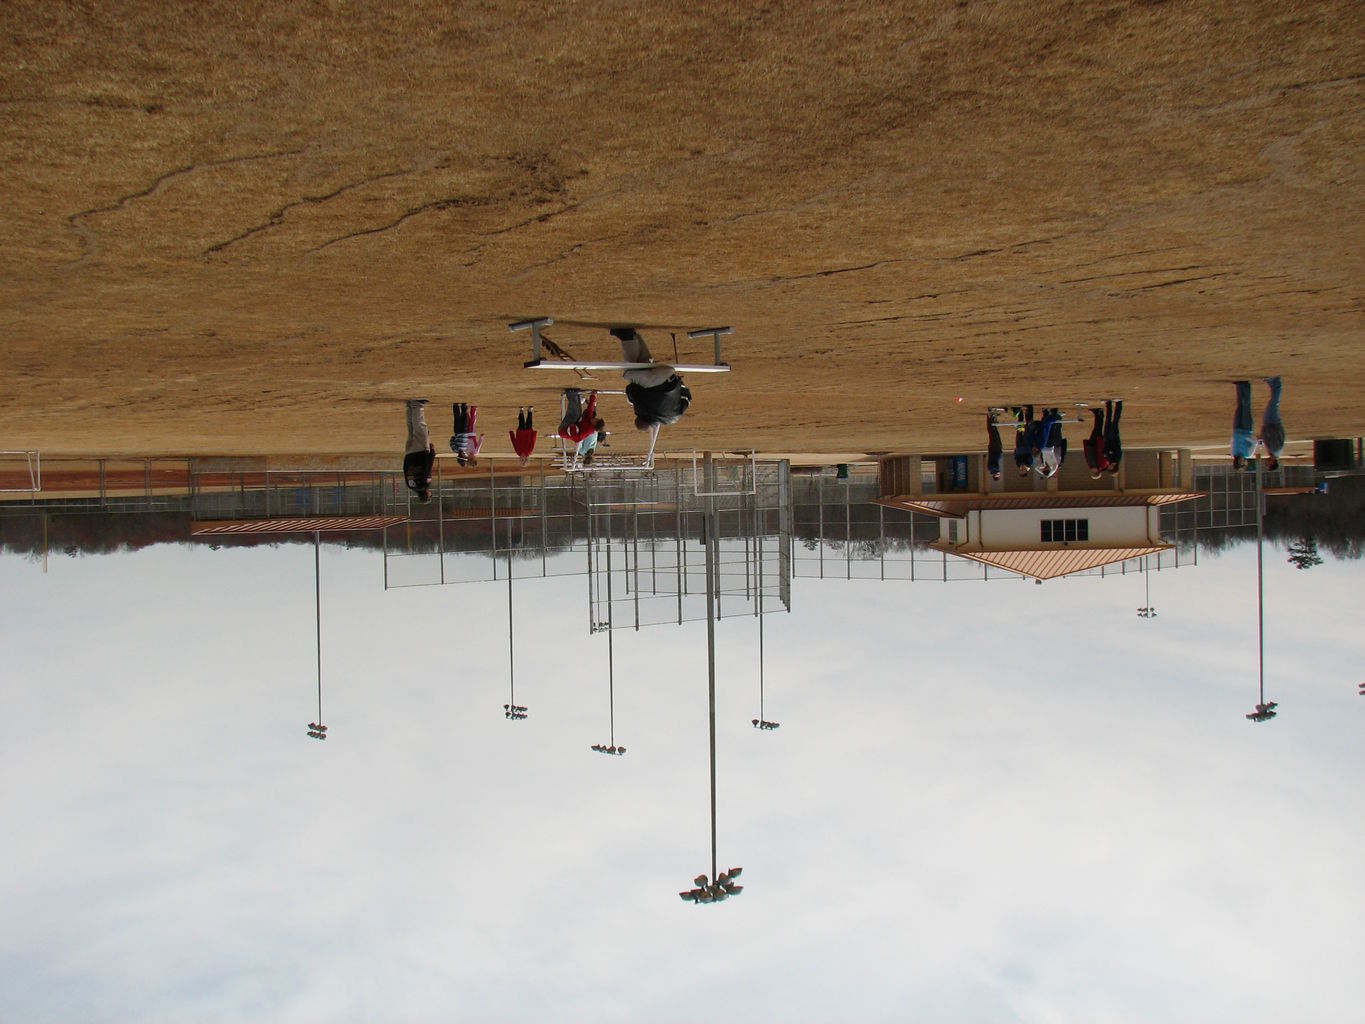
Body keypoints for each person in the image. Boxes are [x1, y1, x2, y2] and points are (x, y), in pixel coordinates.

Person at [611, 327, 691, 428]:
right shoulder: (642, 411)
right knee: (628, 373)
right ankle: (627, 337)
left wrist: (679, 383)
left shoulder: (673, 418)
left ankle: (634, 336)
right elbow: (631, 389)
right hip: (655, 380)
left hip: (670, 374)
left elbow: (687, 398)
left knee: (642, 366)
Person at [403, 399, 435, 502]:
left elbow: (427, 468)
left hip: (420, 452)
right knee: (411, 428)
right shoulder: (411, 486)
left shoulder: (425, 484)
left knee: (420, 427)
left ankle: (417, 405)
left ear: (426, 495)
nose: (430, 493)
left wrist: (432, 453)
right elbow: (405, 469)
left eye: (430, 495)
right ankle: (409, 407)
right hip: (409, 453)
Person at [1258, 376, 1284, 470]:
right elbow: (1273, 434)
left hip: (1272, 423)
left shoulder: (1274, 452)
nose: (1266, 463)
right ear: (1273, 462)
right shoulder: (1274, 450)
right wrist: (1265, 429)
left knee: (1273, 403)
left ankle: (1273, 384)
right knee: (1273, 403)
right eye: (1268, 464)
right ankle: (1276, 384)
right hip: (1272, 423)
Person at [1231, 381, 1257, 469]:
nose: (1242, 461)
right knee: (1246, 407)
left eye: (1240, 463)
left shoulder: (1234, 453)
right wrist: (1245, 437)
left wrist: (1233, 437)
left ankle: (1239, 387)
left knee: (1239, 407)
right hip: (1246, 429)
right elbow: (1255, 442)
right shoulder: (1248, 454)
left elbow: (1232, 443)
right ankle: (1246, 387)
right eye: (1242, 463)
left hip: (1236, 429)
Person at [1034, 408, 1067, 478]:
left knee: (1043, 429)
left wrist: (1043, 473)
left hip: (1043, 446)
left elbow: (1036, 468)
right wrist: (1048, 475)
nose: (1044, 468)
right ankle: (1054, 414)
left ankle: (1045, 413)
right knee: (1051, 430)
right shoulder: (1053, 465)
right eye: (1045, 469)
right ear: (1049, 470)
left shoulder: (1043, 464)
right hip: (1050, 445)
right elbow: (1053, 470)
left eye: (1043, 469)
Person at [1082, 407, 1110, 478]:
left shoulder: (1091, 465)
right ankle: (1099, 413)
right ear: (1098, 471)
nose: (1092, 471)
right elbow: (1103, 454)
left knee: (1096, 428)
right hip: (1098, 443)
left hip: (1092, 445)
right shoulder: (1102, 465)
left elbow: (1087, 456)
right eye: (1094, 472)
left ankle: (1098, 414)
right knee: (1098, 428)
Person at [1011, 405, 1035, 475]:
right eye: (1022, 472)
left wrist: (1016, 450)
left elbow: (1015, 456)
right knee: (1028, 428)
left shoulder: (1018, 464)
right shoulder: (1029, 463)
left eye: (1020, 471)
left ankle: (1020, 413)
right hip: (1026, 445)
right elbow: (1031, 455)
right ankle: (1029, 411)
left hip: (1019, 445)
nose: (1021, 470)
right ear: (1026, 471)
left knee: (1019, 429)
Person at [1102, 399, 1123, 474]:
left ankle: (1108, 405)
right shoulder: (1117, 458)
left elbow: (1104, 452)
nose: (1109, 467)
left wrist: (1107, 451)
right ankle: (1119, 404)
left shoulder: (1109, 459)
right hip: (1113, 439)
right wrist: (1109, 451)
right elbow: (1116, 449)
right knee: (1114, 422)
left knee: (1107, 421)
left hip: (1107, 440)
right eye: (1110, 468)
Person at [985, 413, 1003, 481]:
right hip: (997, 450)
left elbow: (994, 463)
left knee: (992, 433)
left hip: (994, 450)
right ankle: (993, 418)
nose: (998, 473)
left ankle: (989, 418)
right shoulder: (993, 469)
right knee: (995, 433)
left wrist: (996, 471)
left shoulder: (991, 469)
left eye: (997, 475)